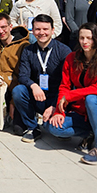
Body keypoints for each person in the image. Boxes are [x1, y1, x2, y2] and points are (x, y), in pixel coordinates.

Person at [47, 23, 97, 164]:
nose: (85, 42)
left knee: (91, 98)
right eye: (81, 38)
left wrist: (71, 96)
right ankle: (91, 133)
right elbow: (64, 86)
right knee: (52, 126)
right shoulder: (72, 58)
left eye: (89, 38)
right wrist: (59, 112)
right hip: (80, 112)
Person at [12, 14, 72, 142]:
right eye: (38, 29)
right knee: (18, 91)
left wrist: (55, 106)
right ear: (33, 31)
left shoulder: (64, 51)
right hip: (38, 95)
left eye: (45, 29)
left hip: (57, 97)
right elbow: (23, 75)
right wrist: (33, 85)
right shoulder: (28, 50)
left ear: (52, 30)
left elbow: (68, 83)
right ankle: (33, 127)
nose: (41, 33)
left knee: (54, 129)